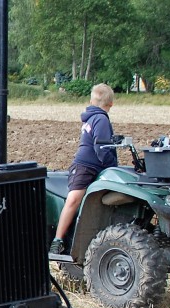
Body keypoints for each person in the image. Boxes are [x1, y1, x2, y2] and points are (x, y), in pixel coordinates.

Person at [50, 83, 118, 255]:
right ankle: (57, 240)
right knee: (74, 199)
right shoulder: (100, 118)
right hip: (85, 167)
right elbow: (102, 148)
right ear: (110, 104)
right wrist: (113, 166)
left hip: (93, 167)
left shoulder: (94, 117)